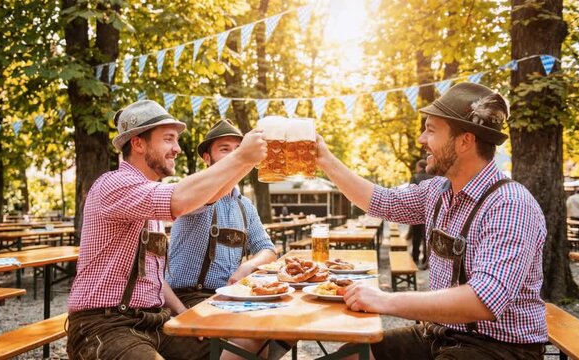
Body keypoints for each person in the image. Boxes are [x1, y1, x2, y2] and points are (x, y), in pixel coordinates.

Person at [317, 83, 546, 359]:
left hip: (499, 348)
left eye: (431, 130)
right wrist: (325, 160)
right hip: (438, 335)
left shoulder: (510, 204)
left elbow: (484, 300)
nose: (421, 139)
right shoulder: (437, 190)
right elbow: (381, 201)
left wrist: (385, 300)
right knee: (351, 355)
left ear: (465, 141)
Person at [66, 100, 267, 360]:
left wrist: (184, 315)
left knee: (247, 343)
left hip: (155, 322)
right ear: (138, 143)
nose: (177, 149)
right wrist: (241, 156)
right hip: (105, 326)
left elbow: (155, 278)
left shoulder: (148, 198)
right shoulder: (114, 184)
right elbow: (183, 199)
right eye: (168, 139)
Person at [166, 119, 282, 358]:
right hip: (188, 298)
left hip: (228, 297)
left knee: (283, 327)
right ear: (207, 158)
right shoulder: (195, 193)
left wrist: (248, 266)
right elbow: (205, 197)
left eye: (237, 149)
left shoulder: (244, 206)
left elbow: (267, 249)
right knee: (252, 337)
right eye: (224, 149)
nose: (233, 156)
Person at [409, 159, 433, 268]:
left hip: (416, 212)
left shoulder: (415, 177)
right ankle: (425, 260)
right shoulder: (433, 177)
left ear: (419, 167)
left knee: (416, 237)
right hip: (430, 214)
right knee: (426, 238)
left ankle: (415, 258)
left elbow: (410, 194)